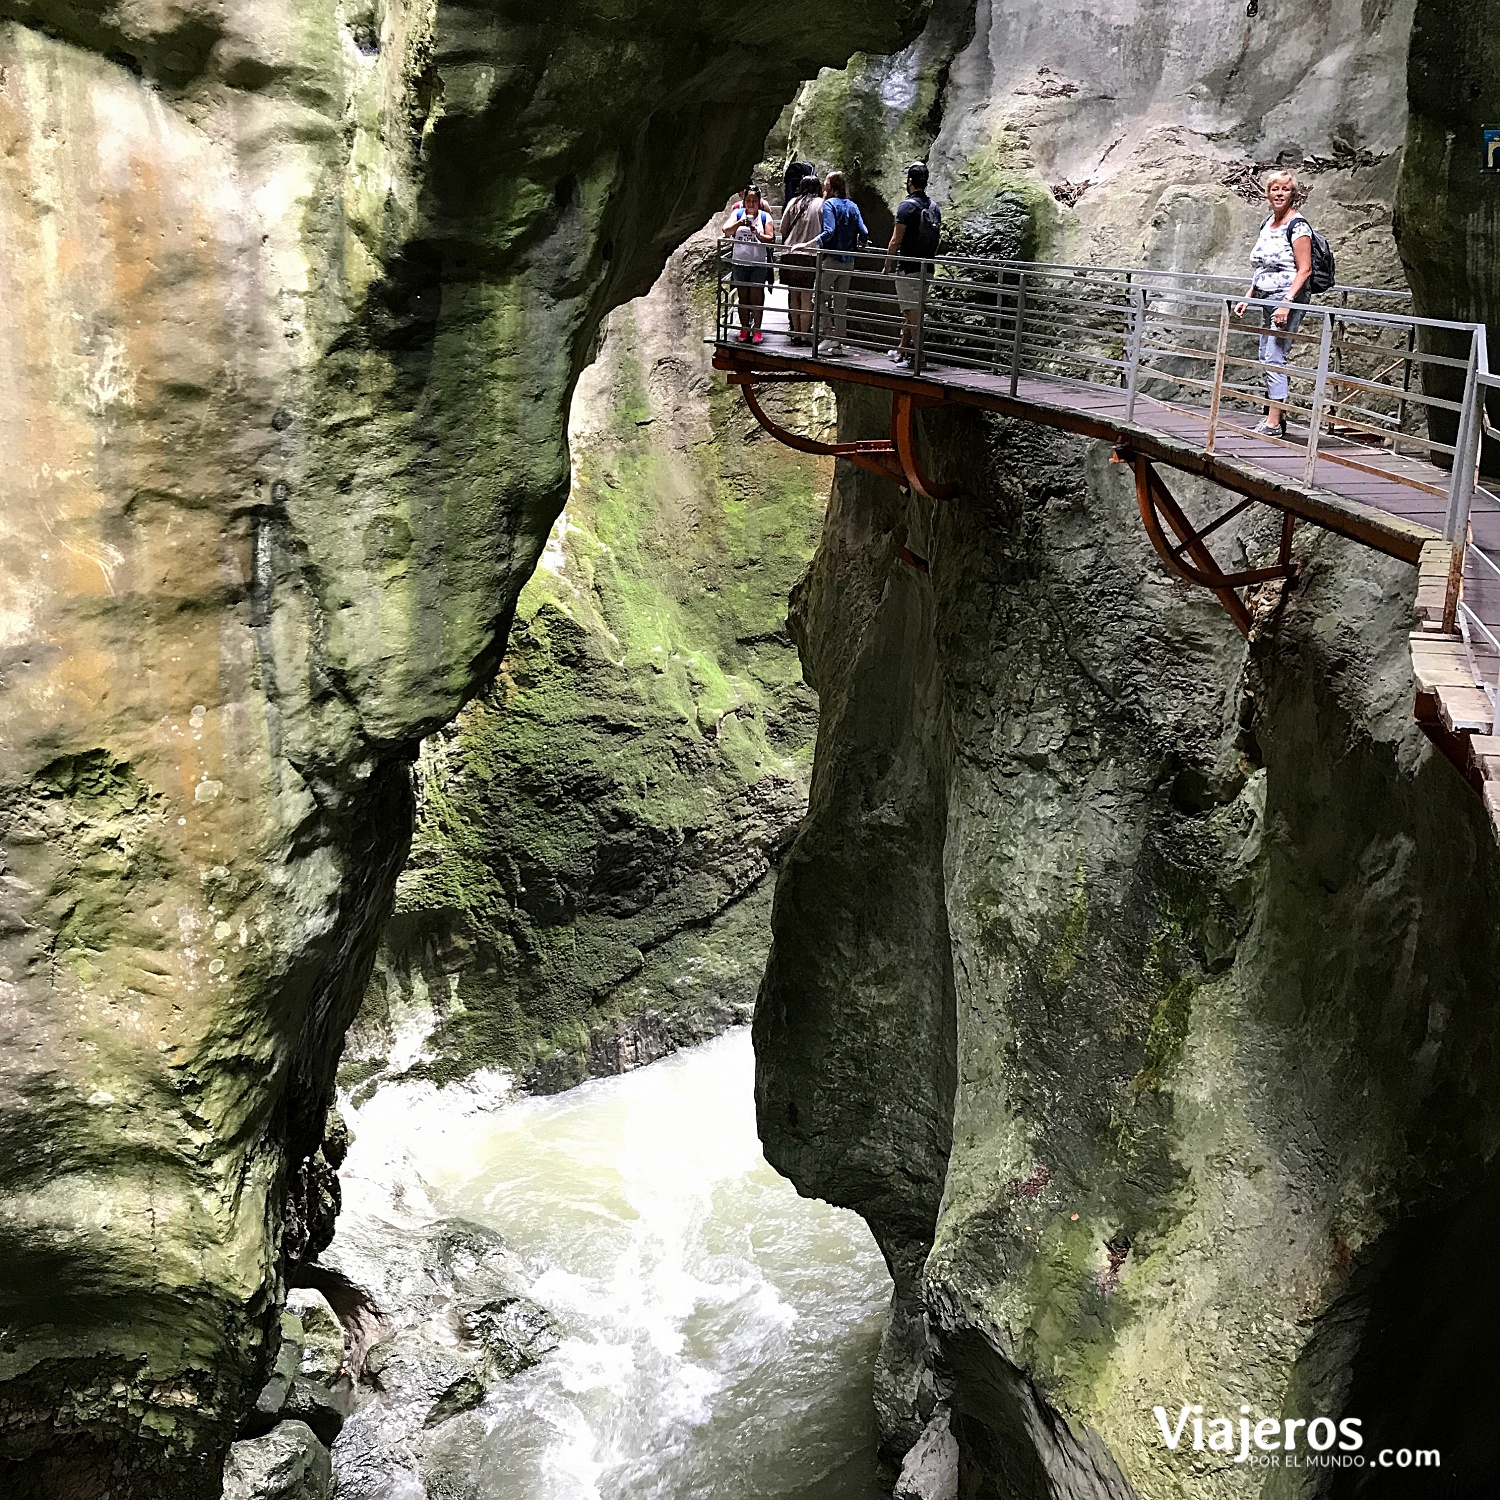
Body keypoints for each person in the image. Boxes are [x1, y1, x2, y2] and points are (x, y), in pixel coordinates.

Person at [1233, 170, 1314, 438]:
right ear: (1267, 193)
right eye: (1275, 189)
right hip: (1267, 297)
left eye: (1285, 190)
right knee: (1264, 356)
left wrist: (1286, 304)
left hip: (1286, 299)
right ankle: (1275, 416)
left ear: (1293, 194)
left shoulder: (1298, 226)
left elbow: (1305, 270)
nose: (1279, 194)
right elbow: (1263, 267)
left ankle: (1274, 423)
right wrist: (1250, 295)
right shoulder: (1268, 223)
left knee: (1274, 356)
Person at [883, 162, 942, 368]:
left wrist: (888, 264)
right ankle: (902, 350)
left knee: (912, 313)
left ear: (909, 182)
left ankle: (918, 358)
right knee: (913, 312)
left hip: (908, 268)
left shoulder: (906, 206)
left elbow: (895, 240)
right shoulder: (934, 207)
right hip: (927, 268)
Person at [817, 171, 869, 354]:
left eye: (826, 182)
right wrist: (860, 244)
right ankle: (838, 343)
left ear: (830, 186)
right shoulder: (853, 206)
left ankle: (829, 334)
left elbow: (829, 231)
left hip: (832, 260)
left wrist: (810, 243)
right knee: (840, 302)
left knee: (818, 297)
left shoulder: (829, 204)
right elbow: (864, 231)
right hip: (849, 261)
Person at [722, 185, 774, 343]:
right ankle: (744, 329)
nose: (751, 203)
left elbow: (770, 237)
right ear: (744, 201)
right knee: (743, 297)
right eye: (748, 200)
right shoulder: (737, 214)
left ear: (759, 202)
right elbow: (726, 230)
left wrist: (757, 233)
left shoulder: (765, 217)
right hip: (740, 263)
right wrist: (739, 223)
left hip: (758, 263)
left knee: (757, 297)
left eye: (754, 201)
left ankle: (757, 330)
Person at [778, 172, 824, 343]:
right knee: (806, 296)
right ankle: (805, 334)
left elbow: (783, 228)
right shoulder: (821, 204)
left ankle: (796, 332)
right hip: (810, 254)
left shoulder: (793, 203)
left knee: (793, 294)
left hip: (790, 253)